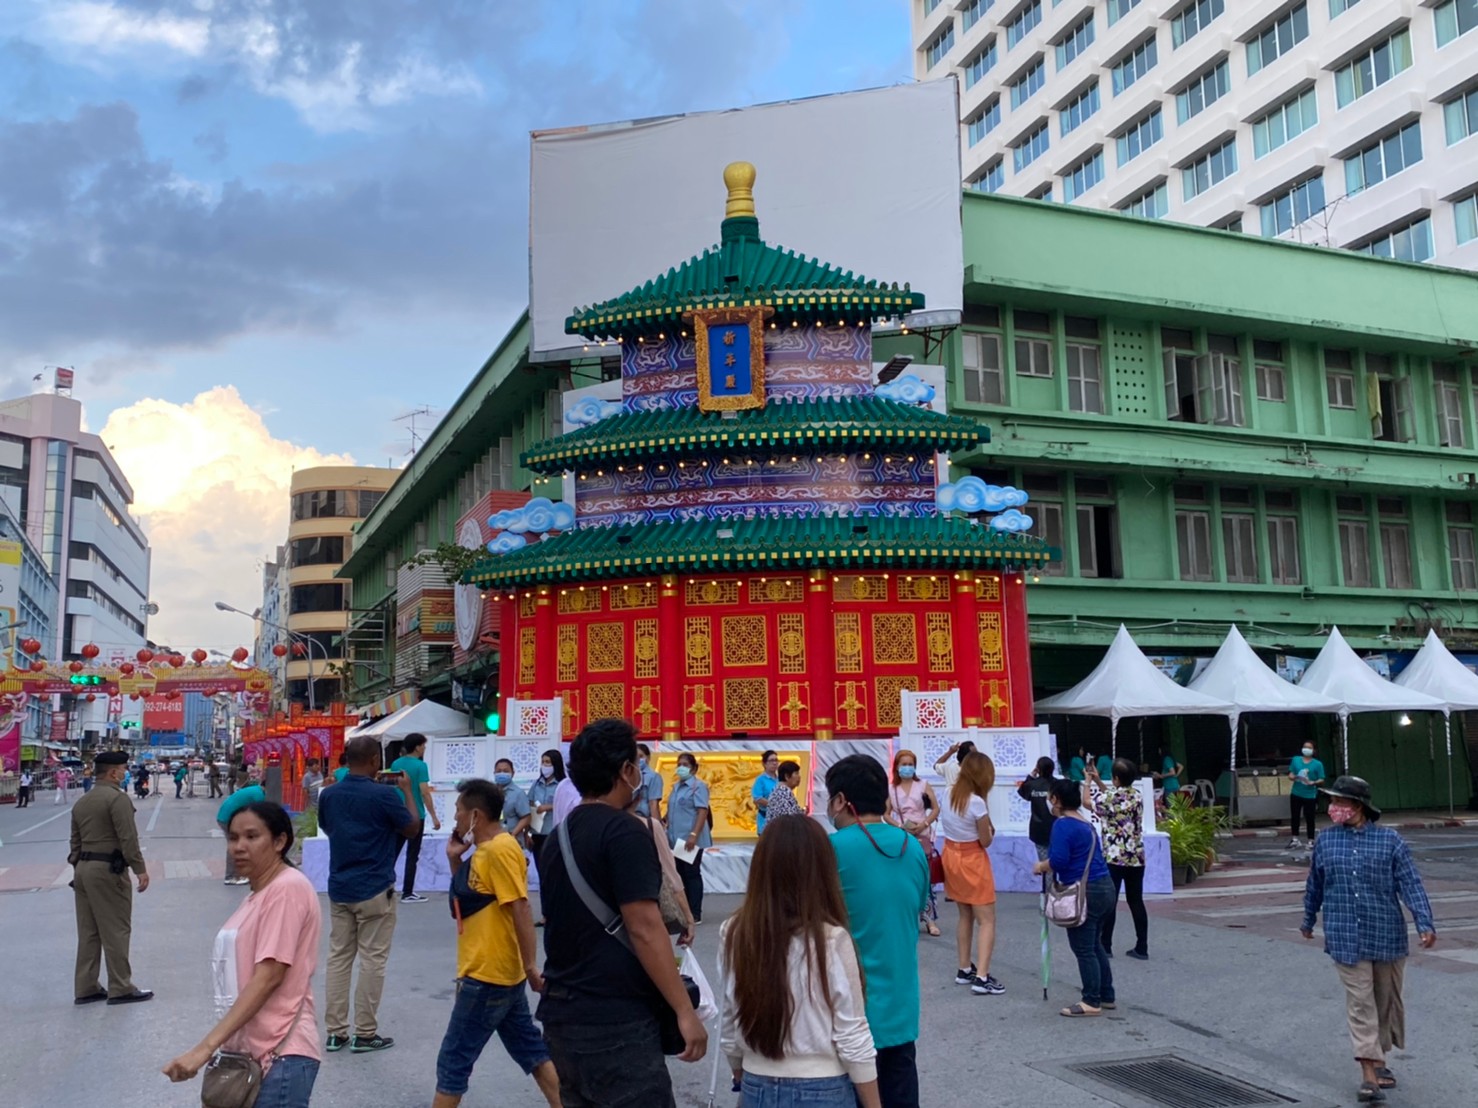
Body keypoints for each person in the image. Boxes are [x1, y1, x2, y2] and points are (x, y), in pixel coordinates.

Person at [536, 717, 707, 1106]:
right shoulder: (625, 831)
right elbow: (645, 928)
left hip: (562, 1016)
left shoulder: (558, 837)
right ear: (627, 771)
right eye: (637, 766)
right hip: (615, 1021)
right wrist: (684, 1009)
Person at [163, 802, 322, 1105]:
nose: (239, 847)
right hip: (254, 1056)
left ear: (279, 841)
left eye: (252, 837)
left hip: (279, 1055)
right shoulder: (260, 893)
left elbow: (268, 977)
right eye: (233, 838)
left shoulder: (287, 889)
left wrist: (204, 1049)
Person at [721, 815, 881, 1108]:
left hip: (756, 1083)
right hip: (823, 1086)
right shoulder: (832, 939)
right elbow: (852, 1034)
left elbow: (730, 1013)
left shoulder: (735, 932)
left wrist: (738, 1066)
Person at [1301, 775, 1436, 1105]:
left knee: (1385, 1001)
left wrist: (1424, 923)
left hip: (1386, 934)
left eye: (1339, 802)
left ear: (1357, 807)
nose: (1332, 808)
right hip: (1345, 935)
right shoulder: (1326, 841)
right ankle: (1368, 1077)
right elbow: (1314, 884)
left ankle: (1380, 1060)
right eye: (1331, 802)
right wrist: (1307, 919)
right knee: (1360, 1003)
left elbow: (1410, 884)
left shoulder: (1391, 842)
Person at [432, 778, 560, 1108]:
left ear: (476, 815)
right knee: (532, 1052)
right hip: (497, 973)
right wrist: (454, 860)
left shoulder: (500, 850)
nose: (456, 819)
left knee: (453, 1063)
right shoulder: (485, 851)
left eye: (459, 812)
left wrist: (531, 964)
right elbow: (465, 902)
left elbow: (520, 906)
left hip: (487, 976)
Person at [826, 755, 930, 1108]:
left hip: (846, 1011)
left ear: (840, 801)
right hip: (901, 1008)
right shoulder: (913, 847)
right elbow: (916, 908)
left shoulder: (831, 849)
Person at [317, 735, 423, 1054]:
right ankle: (365, 1033)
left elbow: (328, 827)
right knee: (372, 960)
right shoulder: (385, 795)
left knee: (338, 958)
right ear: (376, 761)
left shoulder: (330, 795)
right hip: (376, 886)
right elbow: (411, 828)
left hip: (340, 887)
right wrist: (406, 791)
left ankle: (335, 1032)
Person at [68, 750, 152, 1005]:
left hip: (83, 870)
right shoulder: (117, 800)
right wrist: (140, 869)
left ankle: (86, 986)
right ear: (114, 772)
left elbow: (75, 841)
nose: (126, 773)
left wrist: (78, 867)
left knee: (89, 930)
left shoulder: (83, 801)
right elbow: (128, 838)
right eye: (124, 769)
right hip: (108, 870)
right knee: (116, 928)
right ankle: (121, 986)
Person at [1033, 779, 1115, 1018]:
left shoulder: (1063, 825)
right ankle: (1106, 993)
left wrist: (1040, 866)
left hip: (1083, 891)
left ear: (1056, 799)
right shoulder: (1085, 824)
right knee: (1095, 944)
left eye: (1050, 796)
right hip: (1104, 887)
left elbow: (1058, 860)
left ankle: (1091, 1000)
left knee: (1083, 948)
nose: (1049, 800)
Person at [939, 752, 1001, 996]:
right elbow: (985, 841)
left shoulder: (947, 793)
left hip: (951, 855)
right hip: (972, 859)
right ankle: (983, 976)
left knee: (965, 915)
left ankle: (964, 968)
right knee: (987, 919)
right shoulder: (977, 802)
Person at [1088, 758, 1148, 960]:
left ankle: (1106, 945)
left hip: (1114, 857)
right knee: (1136, 901)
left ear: (1115, 778)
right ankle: (1142, 946)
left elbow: (1088, 802)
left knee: (1110, 902)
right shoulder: (1137, 795)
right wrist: (1099, 782)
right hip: (1136, 856)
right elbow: (1113, 796)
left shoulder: (1111, 797)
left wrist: (1088, 782)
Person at [885, 750, 940, 938]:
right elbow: (885, 814)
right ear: (897, 767)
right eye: (904, 764)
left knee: (925, 878)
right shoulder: (892, 789)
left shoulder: (923, 785)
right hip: (903, 835)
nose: (907, 767)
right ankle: (906, 919)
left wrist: (924, 823)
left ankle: (929, 918)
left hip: (922, 834)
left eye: (910, 764)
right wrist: (900, 826)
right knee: (904, 880)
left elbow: (935, 808)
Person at [390, 733, 442, 903]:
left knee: (393, 853)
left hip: (398, 812)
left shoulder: (396, 763)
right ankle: (407, 892)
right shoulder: (421, 766)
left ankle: (386, 888)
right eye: (423, 746)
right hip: (416, 814)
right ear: (418, 746)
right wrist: (434, 816)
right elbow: (424, 792)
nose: (424, 749)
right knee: (413, 854)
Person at [666, 751, 711, 924]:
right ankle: (685, 911)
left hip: (690, 837)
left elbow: (702, 811)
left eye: (685, 765)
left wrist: (694, 835)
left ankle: (695, 912)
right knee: (680, 873)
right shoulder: (676, 787)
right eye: (679, 764)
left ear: (693, 768)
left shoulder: (697, 787)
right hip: (676, 837)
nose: (681, 768)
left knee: (691, 873)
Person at [527, 747, 564, 904]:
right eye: (543, 762)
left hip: (554, 833)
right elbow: (528, 804)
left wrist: (549, 806)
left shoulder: (562, 784)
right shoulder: (537, 785)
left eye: (548, 762)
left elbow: (567, 803)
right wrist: (527, 833)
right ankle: (545, 913)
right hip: (538, 833)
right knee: (543, 873)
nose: (545, 765)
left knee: (555, 873)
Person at [218, 780, 268, 886]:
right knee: (236, 846)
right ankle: (230, 876)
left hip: (225, 815)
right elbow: (261, 814)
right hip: (228, 818)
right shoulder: (259, 795)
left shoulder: (255, 789)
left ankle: (238, 874)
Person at [1016, 756, 1058, 861]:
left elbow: (1022, 792)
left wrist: (1031, 776)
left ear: (1038, 769)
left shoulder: (1032, 785)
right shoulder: (1058, 784)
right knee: (1058, 861)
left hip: (1039, 830)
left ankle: (1048, 877)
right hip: (1057, 828)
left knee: (1045, 863)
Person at [1288, 741, 1326, 849]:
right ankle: (1295, 839)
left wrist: (1313, 782)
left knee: (1310, 817)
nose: (1306, 749)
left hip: (1310, 794)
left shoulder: (1317, 764)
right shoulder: (1295, 760)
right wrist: (1293, 777)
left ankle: (1311, 840)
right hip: (1296, 792)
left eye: (1309, 748)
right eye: (1305, 747)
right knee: (1295, 816)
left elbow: (1322, 779)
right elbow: (1291, 773)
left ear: (1313, 750)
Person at [492, 758, 532, 846]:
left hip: (513, 839)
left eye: (506, 771)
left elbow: (526, 817)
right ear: (494, 773)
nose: (502, 773)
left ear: (512, 773)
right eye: (499, 771)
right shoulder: (489, 792)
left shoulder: (518, 793)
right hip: (493, 839)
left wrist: (513, 834)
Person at [751, 749, 780, 834]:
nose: (774, 763)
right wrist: (774, 804)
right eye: (771, 760)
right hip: (765, 818)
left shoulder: (780, 779)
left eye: (776, 760)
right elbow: (757, 798)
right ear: (764, 764)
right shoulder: (760, 780)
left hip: (779, 819)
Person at [635, 743, 664, 820]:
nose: (638, 760)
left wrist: (656, 826)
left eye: (641, 756)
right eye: (635, 757)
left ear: (648, 757)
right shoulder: (629, 775)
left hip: (645, 818)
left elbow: (653, 804)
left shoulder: (653, 776)